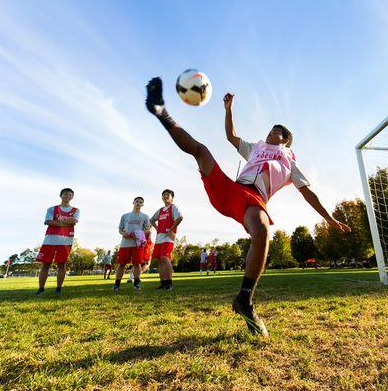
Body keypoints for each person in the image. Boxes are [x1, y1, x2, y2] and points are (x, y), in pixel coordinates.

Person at [145, 77, 350, 336]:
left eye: (275, 132)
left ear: (285, 139)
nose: (269, 133)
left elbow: (308, 193)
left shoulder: (290, 163)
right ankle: (160, 111)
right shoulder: (255, 148)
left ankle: (245, 299)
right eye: (269, 131)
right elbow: (231, 137)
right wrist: (228, 110)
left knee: (262, 232)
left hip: (254, 201)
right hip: (232, 190)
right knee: (201, 151)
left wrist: (329, 219)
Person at [35, 188, 79, 296]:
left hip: (66, 240)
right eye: (65, 195)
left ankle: (58, 288)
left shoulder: (76, 210)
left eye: (69, 195)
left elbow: (74, 221)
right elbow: (48, 222)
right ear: (61, 196)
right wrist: (65, 223)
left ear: (72, 197)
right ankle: (41, 288)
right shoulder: (52, 209)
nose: (67, 197)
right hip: (50, 239)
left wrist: (58, 222)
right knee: (46, 264)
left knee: (61, 264)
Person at [114, 197, 150, 291]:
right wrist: (123, 234)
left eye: (141, 202)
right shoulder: (125, 216)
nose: (138, 203)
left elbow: (147, 229)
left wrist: (139, 234)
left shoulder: (145, 217)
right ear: (133, 203)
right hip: (125, 244)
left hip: (137, 244)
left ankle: (136, 284)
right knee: (121, 264)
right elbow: (120, 229)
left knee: (137, 264)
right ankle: (117, 285)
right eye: (137, 201)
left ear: (142, 205)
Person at [150, 189, 183, 290]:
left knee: (165, 257)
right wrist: (157, 228)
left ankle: (169, 283)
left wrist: (171, 230)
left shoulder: (173, 207)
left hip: (168, 237)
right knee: (159, 260)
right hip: (159, 238)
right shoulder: (160, 210)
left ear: (172, 197)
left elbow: (180, 218)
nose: (165, 196)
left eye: (168, 195)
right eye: (164, 195)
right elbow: (151, 220)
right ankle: (163, 283)